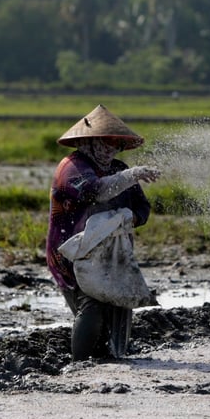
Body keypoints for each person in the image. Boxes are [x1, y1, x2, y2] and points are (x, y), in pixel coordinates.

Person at [45, 105, 160, 360]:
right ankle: (80, 365)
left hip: (111, 254)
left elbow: (142, 206)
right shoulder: (73, 167)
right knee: (92, 304)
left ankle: (110, 361)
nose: (111, 150)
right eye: (106, 143)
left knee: (118, 305)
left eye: (116, 145)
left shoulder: (116, 168)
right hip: (73, 253)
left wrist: (131, 217)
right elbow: (95, 191)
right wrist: (132, 174)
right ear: (91, 141)